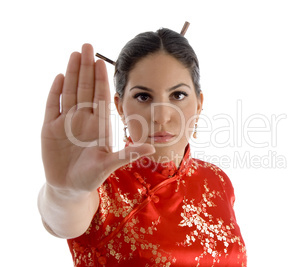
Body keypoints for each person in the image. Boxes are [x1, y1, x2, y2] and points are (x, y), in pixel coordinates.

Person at [38, 24, 247, 266]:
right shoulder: (99, 184)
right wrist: (65, 192)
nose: (161, 116)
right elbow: (62, 219)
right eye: (143, 97)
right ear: (120, 107)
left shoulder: (217, 180)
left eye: (178, 95)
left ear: (199, 104)